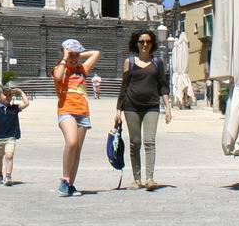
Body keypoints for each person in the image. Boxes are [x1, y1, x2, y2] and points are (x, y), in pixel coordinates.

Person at [115, 30, 172, 190]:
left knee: (149, 141)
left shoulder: (157, 62)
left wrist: (167, 107)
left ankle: (150, 179)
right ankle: (136, 179)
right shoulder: (129, 61)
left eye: (148, 41)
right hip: (131, 106)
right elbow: (124, 86)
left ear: (152, 43)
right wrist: (118, 109)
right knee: (135, 143)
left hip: (152, 106)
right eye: (141, 41)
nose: (145, 44)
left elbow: (163, 85)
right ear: (136, 44)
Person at [53, 38, 102, 197]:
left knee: (77, 151)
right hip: (66, 111)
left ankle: (70, 185)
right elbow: (58, 77)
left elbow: (97, 53)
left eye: (76, 54)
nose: (74, 58)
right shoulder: (59, 69)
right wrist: (66, 57)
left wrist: (77, 55)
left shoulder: (82, 69)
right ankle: (65, 180)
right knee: (72, 142)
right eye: (71, 54)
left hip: (83, 113)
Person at [0, 87, 30, 185]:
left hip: (10, 137)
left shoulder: (14, 108)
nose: (8, 97)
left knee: (9, 155)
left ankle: (8, 176)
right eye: (5, 95)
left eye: (10, 95)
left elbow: (26, 103)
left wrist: (20, 92)